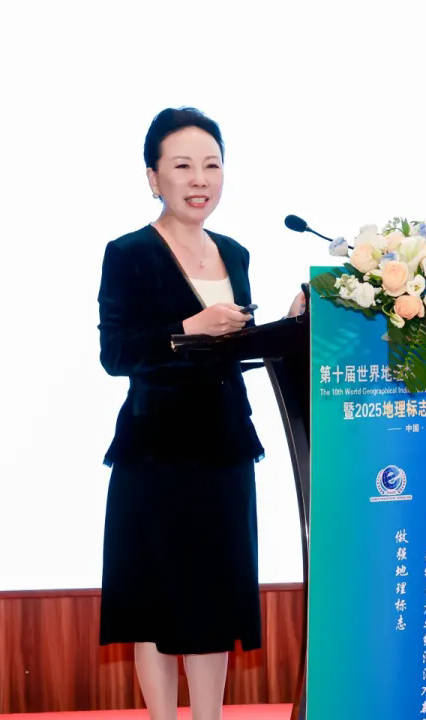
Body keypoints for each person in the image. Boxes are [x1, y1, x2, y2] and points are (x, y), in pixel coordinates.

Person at [96, 106, 306, 720]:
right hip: (155, 453)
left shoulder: (235, 253)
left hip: (225, 447)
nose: (199, 179)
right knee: (157, 601)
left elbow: (230, 351)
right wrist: (188, 328)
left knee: (214, 599)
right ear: (153, 177)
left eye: (211, 166)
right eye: (183, 165)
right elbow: (116, 354)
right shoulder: (129, 253)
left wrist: (286, 329)